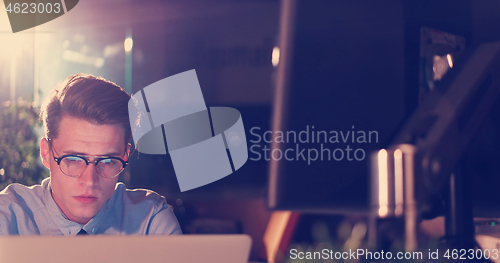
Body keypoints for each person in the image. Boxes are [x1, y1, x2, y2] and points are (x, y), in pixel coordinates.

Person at [0, 74, 182, 235]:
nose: (89, 180)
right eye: (72, 159)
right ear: (45, 153)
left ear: (125, 156)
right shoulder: (7, 217)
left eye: (108, 161)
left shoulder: (150, 221)